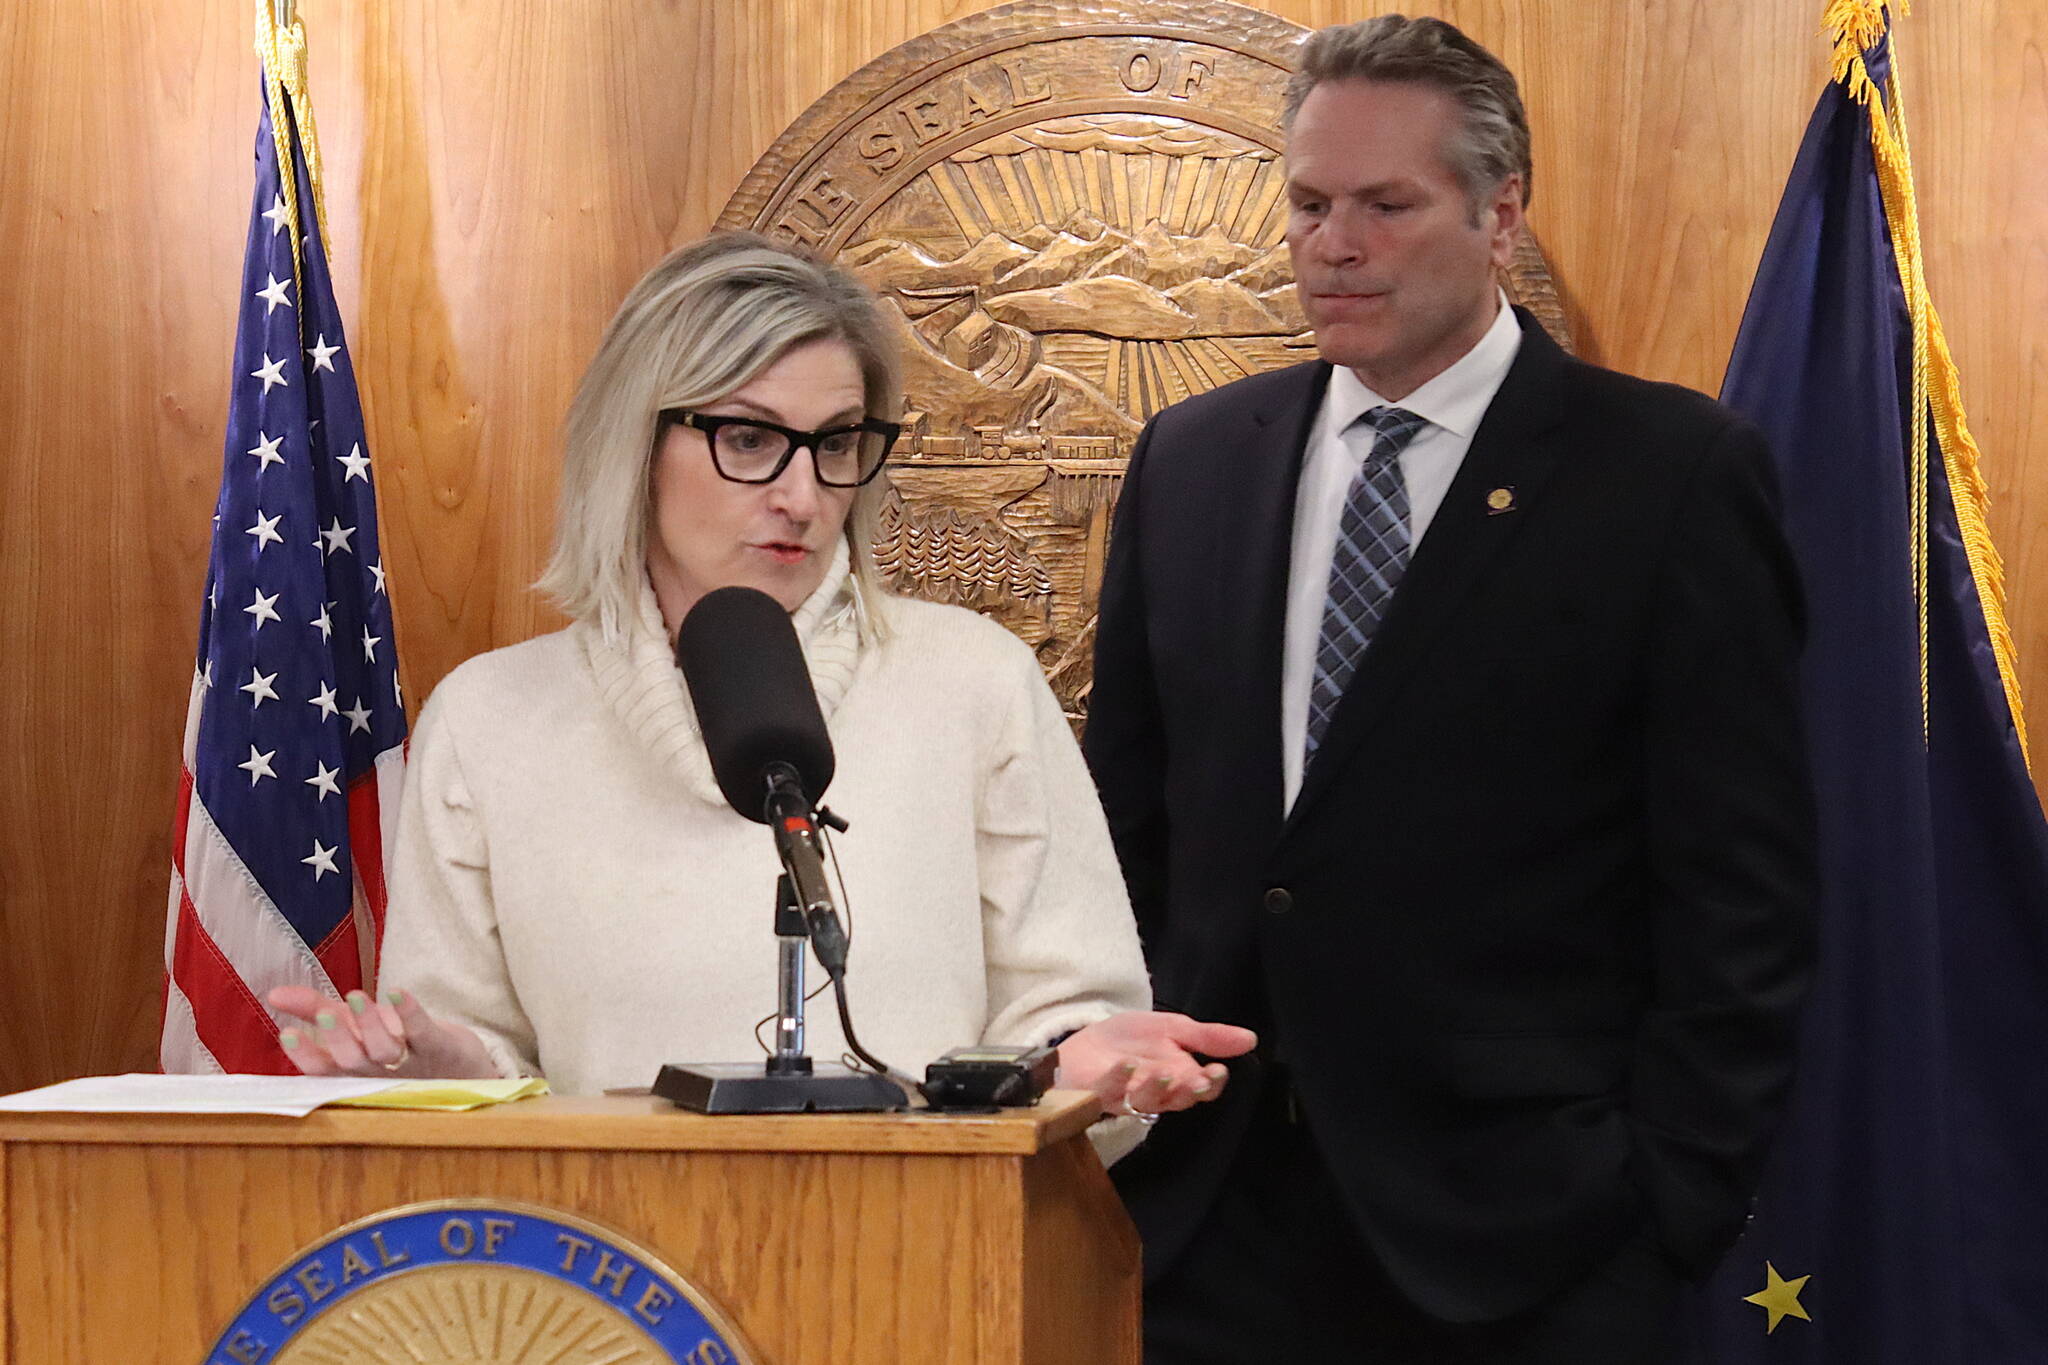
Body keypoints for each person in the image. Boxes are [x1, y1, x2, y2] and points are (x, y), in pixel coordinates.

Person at [1083, 15, 1817, 1362]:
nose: (1333, 243)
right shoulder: (1194, 461)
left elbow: (1742, 896)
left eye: (1384, 204)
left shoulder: (1667, 475)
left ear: (1501, 216)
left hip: (1529, 1250)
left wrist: (1665, 1200)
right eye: (1308, 204)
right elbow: (1125, 829)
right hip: (1210, 1228)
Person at [269, 231, 1254, 1139]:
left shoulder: (970, 681)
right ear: (635, 445)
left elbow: (1070, 1020)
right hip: (603, 1286)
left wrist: (1076, 1068)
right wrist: (433, 1063)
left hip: (927, 1276)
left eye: (834, 444)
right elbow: (481, 1058)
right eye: (748, 439)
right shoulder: (490, 717)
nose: (803, 495)